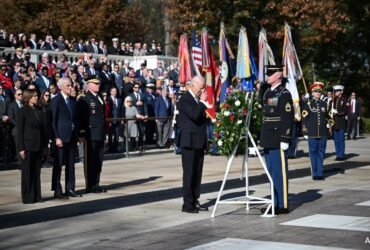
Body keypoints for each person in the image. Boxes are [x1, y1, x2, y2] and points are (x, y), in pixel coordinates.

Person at [259, 65, 294, 215]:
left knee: (280, 173)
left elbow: (288, 118)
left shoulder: (284, 93)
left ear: (278, 75)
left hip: (278, 137)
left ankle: (282, 204)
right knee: (271, 172)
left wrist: (285, 138)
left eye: (271, 73)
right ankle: (273, 203)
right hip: (268, 136)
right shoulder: (267, 92)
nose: (267, 76)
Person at [177, 76, 211, 213]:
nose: (202, 90)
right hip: (189, 142)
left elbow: (201, 119)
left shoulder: (196, 100)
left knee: (197, 174)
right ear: (193, 85)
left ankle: (195, 199)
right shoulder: (185, 99)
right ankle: (187, 204)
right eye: (201, 87)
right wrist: (202, 102)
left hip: (198, 141)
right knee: (189, 173)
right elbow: (195, 116)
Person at [51, 77, 81, 199]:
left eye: (71, 85)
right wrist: (56, 137)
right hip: (61, 138)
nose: (70, 87)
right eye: (68, 85)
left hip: (72, 137)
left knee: (71, 164)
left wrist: (78, 135)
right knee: (58, 165)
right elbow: (53, 121)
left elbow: (75, 119)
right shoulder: (56, 100)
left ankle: (70, 188)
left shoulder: (72, 101)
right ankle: (57, 190)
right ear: (61, 86)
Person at [76, 78, 107, 193]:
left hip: (99, 133)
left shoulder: (99, 97)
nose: (98, 85)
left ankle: (96, 184)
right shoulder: (84, 99)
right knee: (90, 161)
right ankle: (90, 185)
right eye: (95, 84)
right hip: (90, 134)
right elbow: (80, 118)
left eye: (98, 83)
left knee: (98, 160)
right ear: (88, 85)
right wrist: (82, 133)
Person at [16, 89, 46, 204]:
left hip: (38, 145)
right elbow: (20, 131)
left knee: (36, 172)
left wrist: (44, 146)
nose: (36, 98)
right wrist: (21, 148)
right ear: (28, 97)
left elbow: (42, 128)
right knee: (27, 173)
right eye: (34, 96)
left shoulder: (38, 110)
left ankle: (37, 196)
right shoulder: (22, 111)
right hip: (28, 146)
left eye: (37, 96)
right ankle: (28, 197)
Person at [301, 82, 330, 180]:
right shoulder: (308, 104)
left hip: (322, 133)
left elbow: (328, 117)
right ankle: (315, 173)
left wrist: (331, 122)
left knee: (321, 153)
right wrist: (305, 132)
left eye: (319, 91)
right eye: (316, 91)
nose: (318, 93)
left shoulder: (324, 104)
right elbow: (304, 119)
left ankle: (320, 173)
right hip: (312, 133)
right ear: (312, 93)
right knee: (313, 154)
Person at [331, 85, 347, 160]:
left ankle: (341, 155)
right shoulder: (333, 101)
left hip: (341, 122)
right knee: (336, 140)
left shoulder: (344, 100)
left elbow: (345, 112)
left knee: (341, 140)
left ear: (341, 92)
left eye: (337, 91)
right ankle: (338, 154)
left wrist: (337, 113)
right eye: (335, 91)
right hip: (335, 123)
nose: (336, 92)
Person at [107, 87, 123, 153]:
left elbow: (121, 110)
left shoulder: (119, 100)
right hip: (111, 120)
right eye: (113, 91)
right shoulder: (108, 99)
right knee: (110, 135)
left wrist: (121, 118)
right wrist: (109, 120)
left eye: (115, 91)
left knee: (117, 135)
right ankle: (110, 148)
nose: (114, 92)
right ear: (110, 92)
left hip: (118, 120)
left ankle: (116, 148)